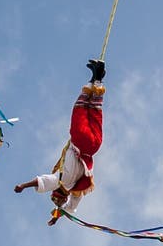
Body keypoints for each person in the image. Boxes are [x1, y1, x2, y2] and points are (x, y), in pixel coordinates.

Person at [15, 59, 106, 225]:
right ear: (57, 191)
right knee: (80, 108)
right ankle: (94, 78)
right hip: (80, 141)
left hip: (94, 146)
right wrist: (23, 185)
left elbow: (70, 208)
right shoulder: (61, 182)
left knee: (94, 112)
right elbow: (42, 181)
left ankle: (98, 76)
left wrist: (55, 217)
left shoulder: (76, 191)